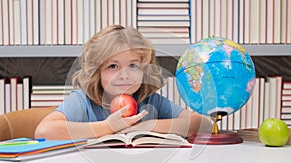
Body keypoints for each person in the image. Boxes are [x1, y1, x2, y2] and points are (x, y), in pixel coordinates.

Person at [35, 25, 211, 140]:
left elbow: (203, 125)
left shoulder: (150, 100)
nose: (124, 75)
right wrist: (108, 127)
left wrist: (147, 126)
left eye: (133, 65)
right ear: (97, 71)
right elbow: (44, 131)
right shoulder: (83, 100)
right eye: (113, 66)